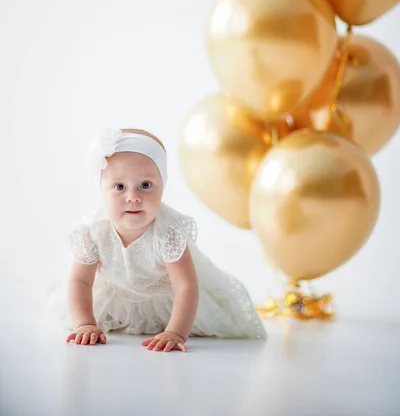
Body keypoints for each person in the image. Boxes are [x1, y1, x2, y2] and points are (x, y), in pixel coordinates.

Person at [45, 127, 266, 351]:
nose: (133, 197)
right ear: (101, 190)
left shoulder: (168, 232)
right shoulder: (93, 232)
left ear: (163, 186)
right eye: (119, 187)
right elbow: (80, 282)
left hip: (168, 302)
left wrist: (175, 332)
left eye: (145, 185)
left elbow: (186, 287)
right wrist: (85, 323)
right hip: (113, 298)